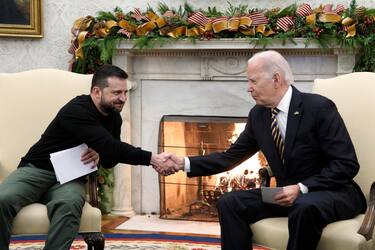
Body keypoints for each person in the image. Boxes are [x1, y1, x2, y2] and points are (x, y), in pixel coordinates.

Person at [158, 50, 367, 250]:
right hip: (286, 195)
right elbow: (230, 157)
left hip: (331, 193)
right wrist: (181, 163)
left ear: (276, 79)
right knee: (230, 203)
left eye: (253, 81)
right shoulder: (259, 115)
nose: (248, 88)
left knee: (304, 206)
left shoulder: (318, 107)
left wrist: (302, 187)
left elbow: (346, 164)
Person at [0, 64, 174, 250]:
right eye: (116, 93)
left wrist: (100, 155)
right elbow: (110, 145)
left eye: (125, 92)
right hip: (37, 170)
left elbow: (110, 157)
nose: (122, 98)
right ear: (96, 92)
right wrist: (152, 159)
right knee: (3, 199)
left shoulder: (114, 117)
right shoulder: (76, 110)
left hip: (69, 179)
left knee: (70, 205)